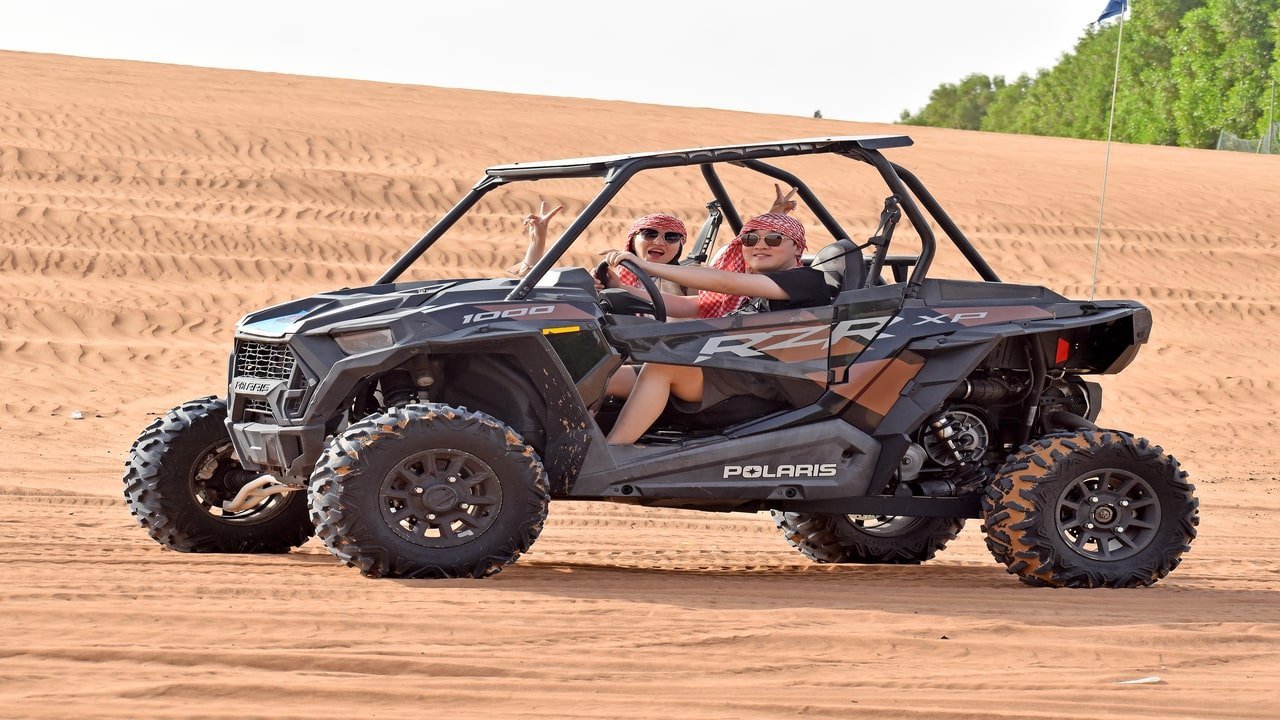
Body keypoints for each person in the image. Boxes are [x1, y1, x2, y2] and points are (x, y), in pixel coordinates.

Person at [598, 213, 830, 444]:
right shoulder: (756, 292)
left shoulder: (806, 280)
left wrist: (646, 266)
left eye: (773, 239)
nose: (760, 245)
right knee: (606, 375)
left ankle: (611, 451)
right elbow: (685, 305)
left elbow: (724, 282)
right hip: (730, 365)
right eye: (750, 239)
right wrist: (620, 287)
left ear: (797, 248)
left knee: (661, 366)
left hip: (768, 377)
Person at [511, 185, 800, 303]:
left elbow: (735, 265)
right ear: (633, 240)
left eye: (671, 237)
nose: (659, 241)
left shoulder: (690, 277)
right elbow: (537, 287)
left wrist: (774, 219)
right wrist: (538, 240)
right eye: (649, 234)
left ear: (680, 245)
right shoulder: (609, 273)